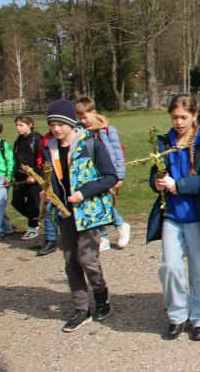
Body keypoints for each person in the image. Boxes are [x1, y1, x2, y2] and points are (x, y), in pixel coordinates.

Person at [148, 94, 200, 341]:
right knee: (170, 267)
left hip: (199, 216)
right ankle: (178, 314)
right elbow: (155, 173)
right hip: (172, 215)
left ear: (194, 116)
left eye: (183, 117)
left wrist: (180, 185)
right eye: (174, 117)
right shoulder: (164, 143)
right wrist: (157, 183)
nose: (179, 122)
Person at [40, 99, 117, 332]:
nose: (56, 129)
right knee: (71, 262)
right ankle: (81, 309)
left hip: (89, 213)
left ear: (71, 123)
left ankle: (101, 295)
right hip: (65, 214)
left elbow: (110, 177)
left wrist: (83, 193)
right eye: (52, 124)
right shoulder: (49, 149)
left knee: (87, 260)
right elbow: (54, 181)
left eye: (60, 124)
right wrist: (47, 193)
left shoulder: (90, 144)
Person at [75, 97, 131, 250]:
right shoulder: (80, 131)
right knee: (94, 204)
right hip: (90, 173)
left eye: (85, 117)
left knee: (104, 202)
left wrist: (119, 175)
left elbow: (118, 152)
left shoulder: (107, 129)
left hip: (107, 172)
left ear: (94, 112)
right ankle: (103, 237)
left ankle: (121, 225)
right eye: (80, 118)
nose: (83, 121)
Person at [11, 115, 43, 240]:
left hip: (34, 179)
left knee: (32, 203)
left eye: (21, 125)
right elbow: (16, 159)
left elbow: (41, 159)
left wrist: (35, 175)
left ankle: (32, 228)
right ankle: (36, 218)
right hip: (20, 178)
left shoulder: (36, 140)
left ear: (30, 125)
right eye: (17, 125)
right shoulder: (18, 141)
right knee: (16, 202)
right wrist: (14, 173)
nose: (18, 128)